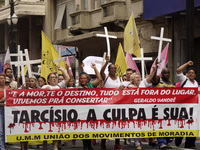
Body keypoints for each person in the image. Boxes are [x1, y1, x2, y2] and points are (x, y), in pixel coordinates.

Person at [127, 65, 157, 150]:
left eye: (139, 77)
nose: (138, 78)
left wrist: (154, 70)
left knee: (141, 125)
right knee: (136, 125)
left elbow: (149, 78)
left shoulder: (143, 84)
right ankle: (137, 143)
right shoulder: (130, 87)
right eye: (136, 77)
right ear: (132, 79)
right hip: (134, 109)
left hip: (143, 109)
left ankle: (138, 140)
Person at [42, 66, 70, 150]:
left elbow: (68, 78)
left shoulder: (59, 86)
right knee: (45, 129)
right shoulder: (44, 87)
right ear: (48, 80)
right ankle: (45, 145)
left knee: (56, 128)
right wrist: (45, 91)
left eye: (55, 77)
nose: (54, 79)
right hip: (47, 111)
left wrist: (61, 69)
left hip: (57, 111)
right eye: (52, 78)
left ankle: (55, 145)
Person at [100, 55, 124, 150]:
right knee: (105, 123)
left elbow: (123, 91)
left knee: (117, 124)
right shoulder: (106, 77)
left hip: (117, 104)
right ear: (109, 70)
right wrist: (106, 62)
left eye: (114, 68)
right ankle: (102, 142)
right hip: (107, 104)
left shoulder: (120, 79)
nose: (113, 69)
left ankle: (117, 143)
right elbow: (101, 72)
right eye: (111, 68)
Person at [77, 63, 101, 150]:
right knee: (84, 128)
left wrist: (95, 68)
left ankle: (89, 145)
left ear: (88, 79)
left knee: (90, 128)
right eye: (81, 78)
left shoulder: (91, 85)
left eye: (85, 78)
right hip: (83, 111)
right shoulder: (78, 87)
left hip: (91, 110)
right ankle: (85, 145)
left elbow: (99, 79)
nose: (83, 80)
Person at [151, 66, 175, 149]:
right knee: (160, 125)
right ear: (161, 74)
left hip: (169, 108)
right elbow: (153, 78)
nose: (167, 74)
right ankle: (161, 143)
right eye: (165, 73)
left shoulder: (171, 83)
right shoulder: (157, 81)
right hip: (159, 108)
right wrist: (155, 69)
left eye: (168, 73)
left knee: (168, 125)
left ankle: (167, 142)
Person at [176, 60, 198, 149]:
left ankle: (190, 143)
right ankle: (178, 138)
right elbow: (178, 70)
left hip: (193, 109)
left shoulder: (196, 83)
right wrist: (187, 64)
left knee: (192, 125)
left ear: (195, 75)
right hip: (184, 108)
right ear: (187, 74)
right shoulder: (184, 80)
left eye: (193, 73)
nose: (191, 74)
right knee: (183, 125)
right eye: (189, 73)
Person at [0, 74, 8, 150]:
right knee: (1, 131)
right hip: (0, 110)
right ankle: (2, 148)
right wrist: (1, 101)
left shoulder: (8, 88)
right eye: (1, 78)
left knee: (7, 130)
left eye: (4, 78)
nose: (3, 80)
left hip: (8, 111)